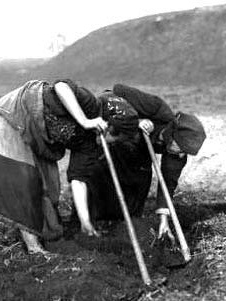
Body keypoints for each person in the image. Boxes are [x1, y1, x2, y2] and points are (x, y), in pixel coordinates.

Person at [0, 79, 108, 254]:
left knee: (50, 185)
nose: (106, 139)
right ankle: (33, 247)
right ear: (105, 122)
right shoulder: (89, 105)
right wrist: (84, 120)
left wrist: (85, 222)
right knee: (23, 181)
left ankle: (50, 236)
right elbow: (61, 87)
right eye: (110, 133)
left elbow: (78, 179)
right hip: (16, 115)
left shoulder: (89, 145)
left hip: (41, 139)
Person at [70, 84, 207, 240]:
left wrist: (164, 222)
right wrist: (136, 121)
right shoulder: (157, 107)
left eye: (185, 152)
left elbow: (167, 183)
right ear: (172, 134)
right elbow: (117, 91)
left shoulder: (177, 154)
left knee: (141, 178)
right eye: (180, 147)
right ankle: (88, 222)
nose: (181, 153)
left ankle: (125, 225)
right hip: (117, 132)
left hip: (140, 150)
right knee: (102, 172)